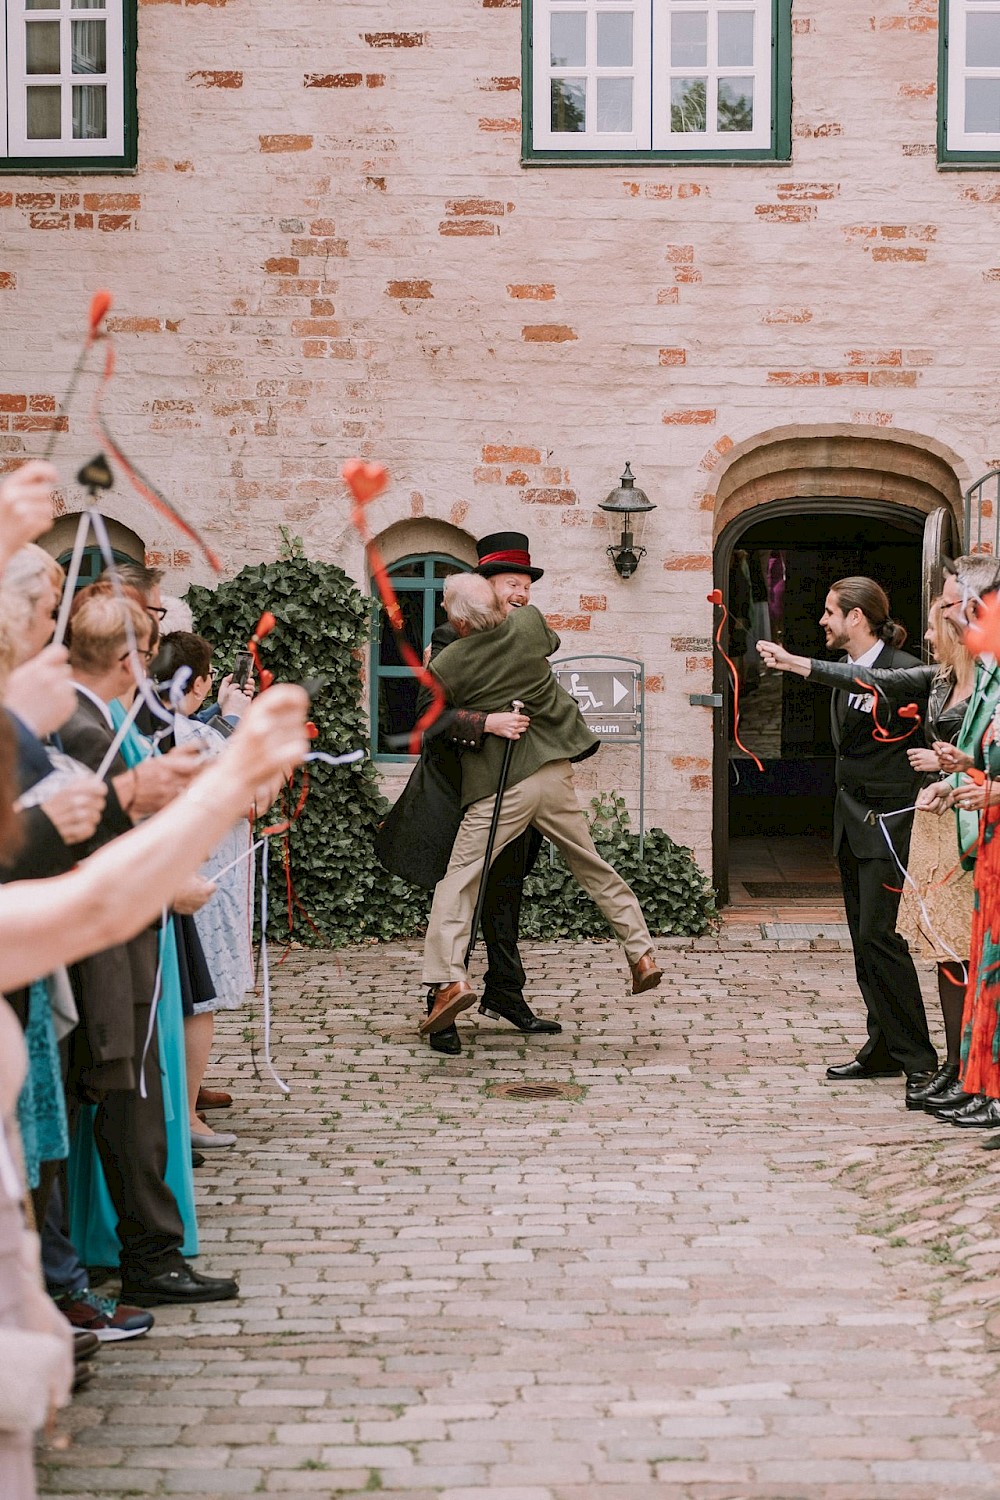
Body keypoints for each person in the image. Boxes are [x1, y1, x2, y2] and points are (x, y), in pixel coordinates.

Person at [420, 574, 662, 1035]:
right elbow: (548, 641)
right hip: (553, 773)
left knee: (458, 882)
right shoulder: (528, 622)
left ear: (457, 619)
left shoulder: (447, 664)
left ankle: (449, 981)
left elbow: (432, 716)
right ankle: (640, 952)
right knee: (591, 863)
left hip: (501, 785)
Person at [760, 596, 976, 1107]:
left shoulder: (911, 673)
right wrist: (795, 664)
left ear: (855, 615)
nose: (822, 621)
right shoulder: (886, 673)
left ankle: (921, 1063)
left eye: (830, 612)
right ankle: (883, 1047)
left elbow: (933, 737)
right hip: (852, 821)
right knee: (864, 944)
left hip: (897, 823)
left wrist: (941, 774)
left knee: (885, 940)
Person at [377, 531, 560, 1056]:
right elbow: (427, 718)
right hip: (456, 791)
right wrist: (486, 722)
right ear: (484, 588)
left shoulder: (524, 637)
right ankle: (442, 1006)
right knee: (455, 897)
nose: (522, 595)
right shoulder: (448, 638)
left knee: (506, 893)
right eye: (512, 585)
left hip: (513, 788)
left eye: (526, 586)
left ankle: (505, 993)